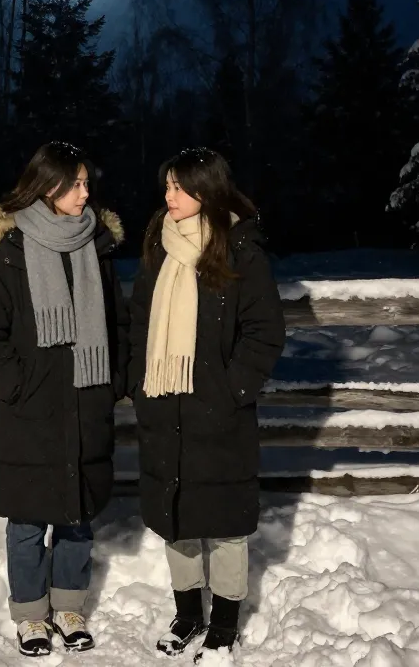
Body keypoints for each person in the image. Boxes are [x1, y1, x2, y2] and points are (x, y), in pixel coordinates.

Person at [0, 142, 128, 657]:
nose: (85, 193)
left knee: (77, 515)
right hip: (29, 411)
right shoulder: (10, 253)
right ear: (46, 186)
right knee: (27, 519)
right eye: (75, 183)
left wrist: (112, 382)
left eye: (86, 183)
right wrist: (18, 385)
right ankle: (32, 615)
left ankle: (70, 606)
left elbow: (119, 325)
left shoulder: (97, 247)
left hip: (86, 401)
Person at [128, 147, 286, 660]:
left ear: (206, 190)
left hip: (219, 414)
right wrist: (139, 382)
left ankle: (224, 622)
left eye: (178, 187)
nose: (168, 196)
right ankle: (188, 613)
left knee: (224, 523)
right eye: (167, 186)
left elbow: (264, 332)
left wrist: (231, 389)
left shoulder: (240, 250)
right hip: (163, 404)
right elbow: (138, 322)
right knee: (175, 516)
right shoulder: (159, 245)